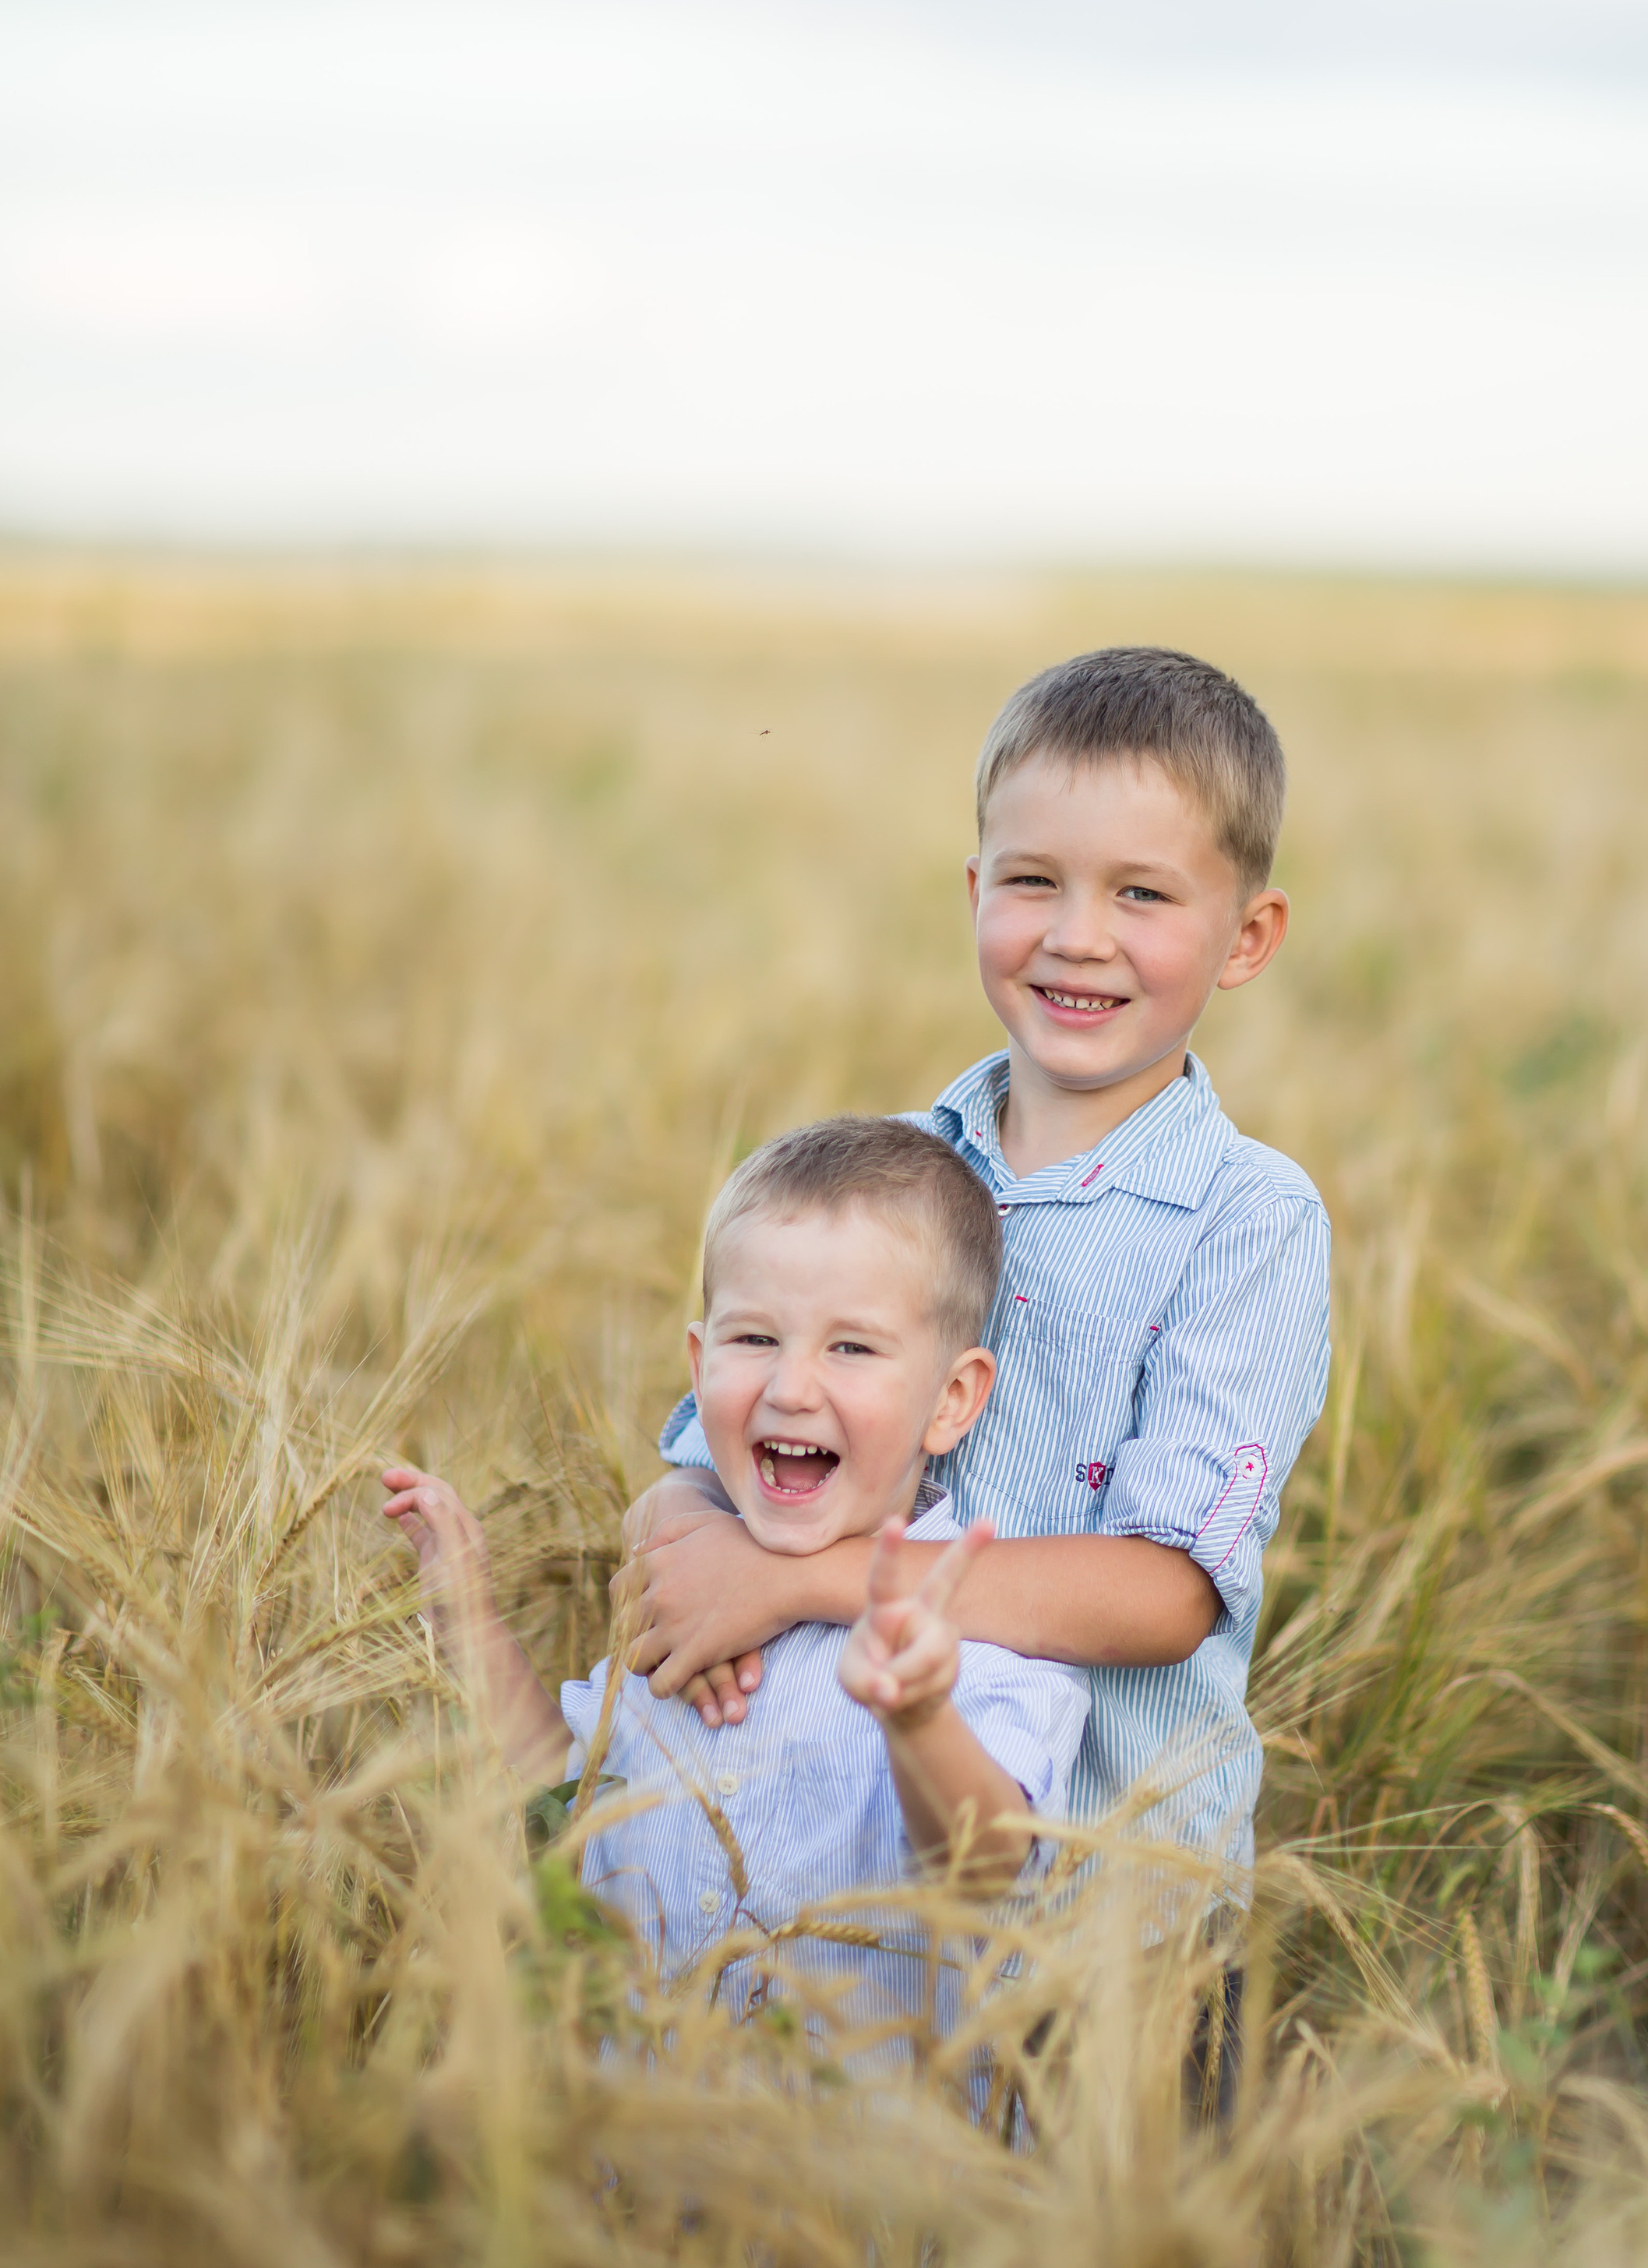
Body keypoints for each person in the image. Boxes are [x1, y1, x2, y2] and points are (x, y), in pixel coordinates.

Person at [623, 646, 1332, 1884]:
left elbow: (1165, 1597)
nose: (1076, 937)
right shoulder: (889, 1175)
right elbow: (705, 1464)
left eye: (1143, 898)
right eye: (1032, 881)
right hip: (854, 1901)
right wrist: (685, 1534)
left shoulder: (1247, 1218)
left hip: (1109, 1928)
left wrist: (802, 1586)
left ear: (1247, 936)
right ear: (973, 890)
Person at [383, 1115, 1088, 2032]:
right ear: (698, 1360)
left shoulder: (980, 1631)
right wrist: (468, 1625)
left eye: (852, 1348)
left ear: (951, 1400)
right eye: (753, 1340)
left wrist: (919, 1719)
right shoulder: (681, 1598)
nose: (791, 1388)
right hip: (635, 2151)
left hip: (867, 2161)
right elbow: (571, 1810)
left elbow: (986, 1870)